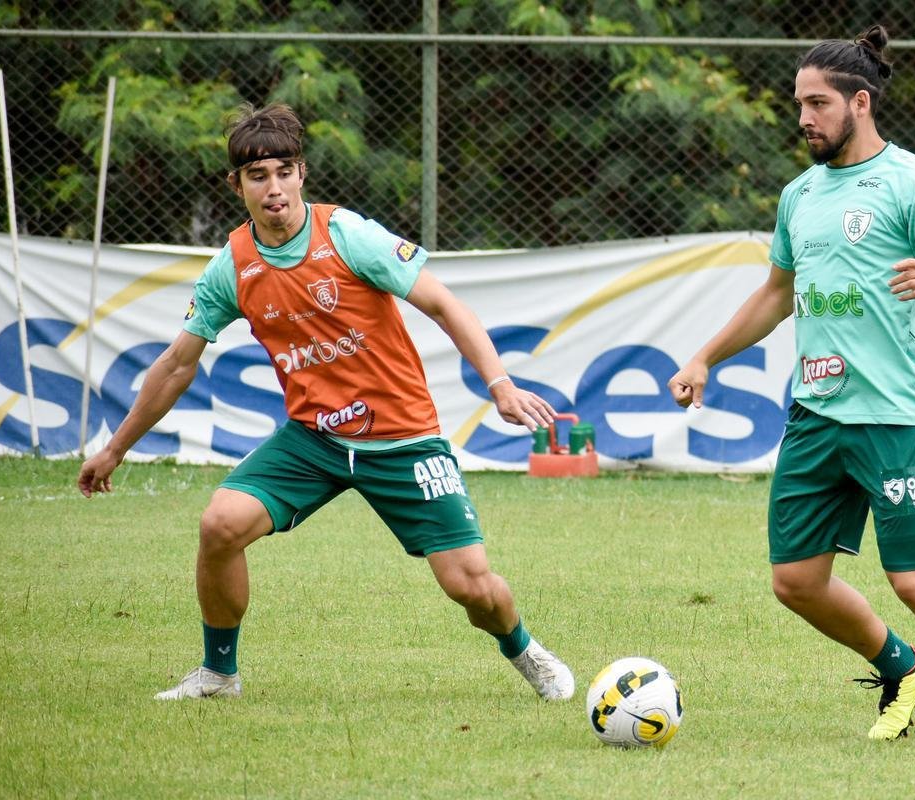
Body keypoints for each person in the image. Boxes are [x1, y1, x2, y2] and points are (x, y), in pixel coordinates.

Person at [77, 103, 575, 703]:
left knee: (471, 589)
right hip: (313, 440)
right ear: (237, 186)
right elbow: (177, 365)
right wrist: (115, 448)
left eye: (284, 171)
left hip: (402, 438)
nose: (274, 188)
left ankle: (524, 649)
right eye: (258, 176)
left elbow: (445, 305)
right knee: (220, 525)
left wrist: (501, 385)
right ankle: (218, 674)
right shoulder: (232, 267)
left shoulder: (347, 236)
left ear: (302, 174)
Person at [667, 26, 915, 748]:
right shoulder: (798, 194)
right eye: (798, 103)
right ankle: (902, 668)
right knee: (795, 581)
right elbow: (776, 294)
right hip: (815, 414)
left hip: (893, 416)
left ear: (858, 103)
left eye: (816, 103)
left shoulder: (907, 180)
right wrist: (705, 355)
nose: (802, 117)